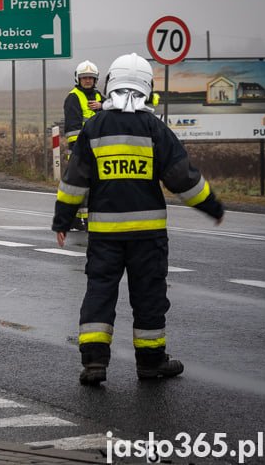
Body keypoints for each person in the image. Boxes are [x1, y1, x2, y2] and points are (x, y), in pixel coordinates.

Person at [52, 53, 224, 386]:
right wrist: (211, 206)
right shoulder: (154, 128)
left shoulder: (94, 127)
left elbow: (74, 180)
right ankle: (150, 363)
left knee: (100, 293)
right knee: (149, 296)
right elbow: (182, 178)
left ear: (110, 83)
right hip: (148, 236)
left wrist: (62, 220)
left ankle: (94, 364)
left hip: (104, 234)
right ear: (145, 87)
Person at [63, 60, 104, 230]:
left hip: (99, 150)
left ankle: (88, 219)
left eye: (91, 78)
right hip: (80, 151)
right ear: (78, 79)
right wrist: (80, 150)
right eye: (84, 78)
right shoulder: (73, 97)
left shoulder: (100, 98)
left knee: (96, 187)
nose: (87, 80)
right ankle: (75, 219)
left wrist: (103, 106)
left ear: (95, 79)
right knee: (78, 187)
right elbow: (72, 128)